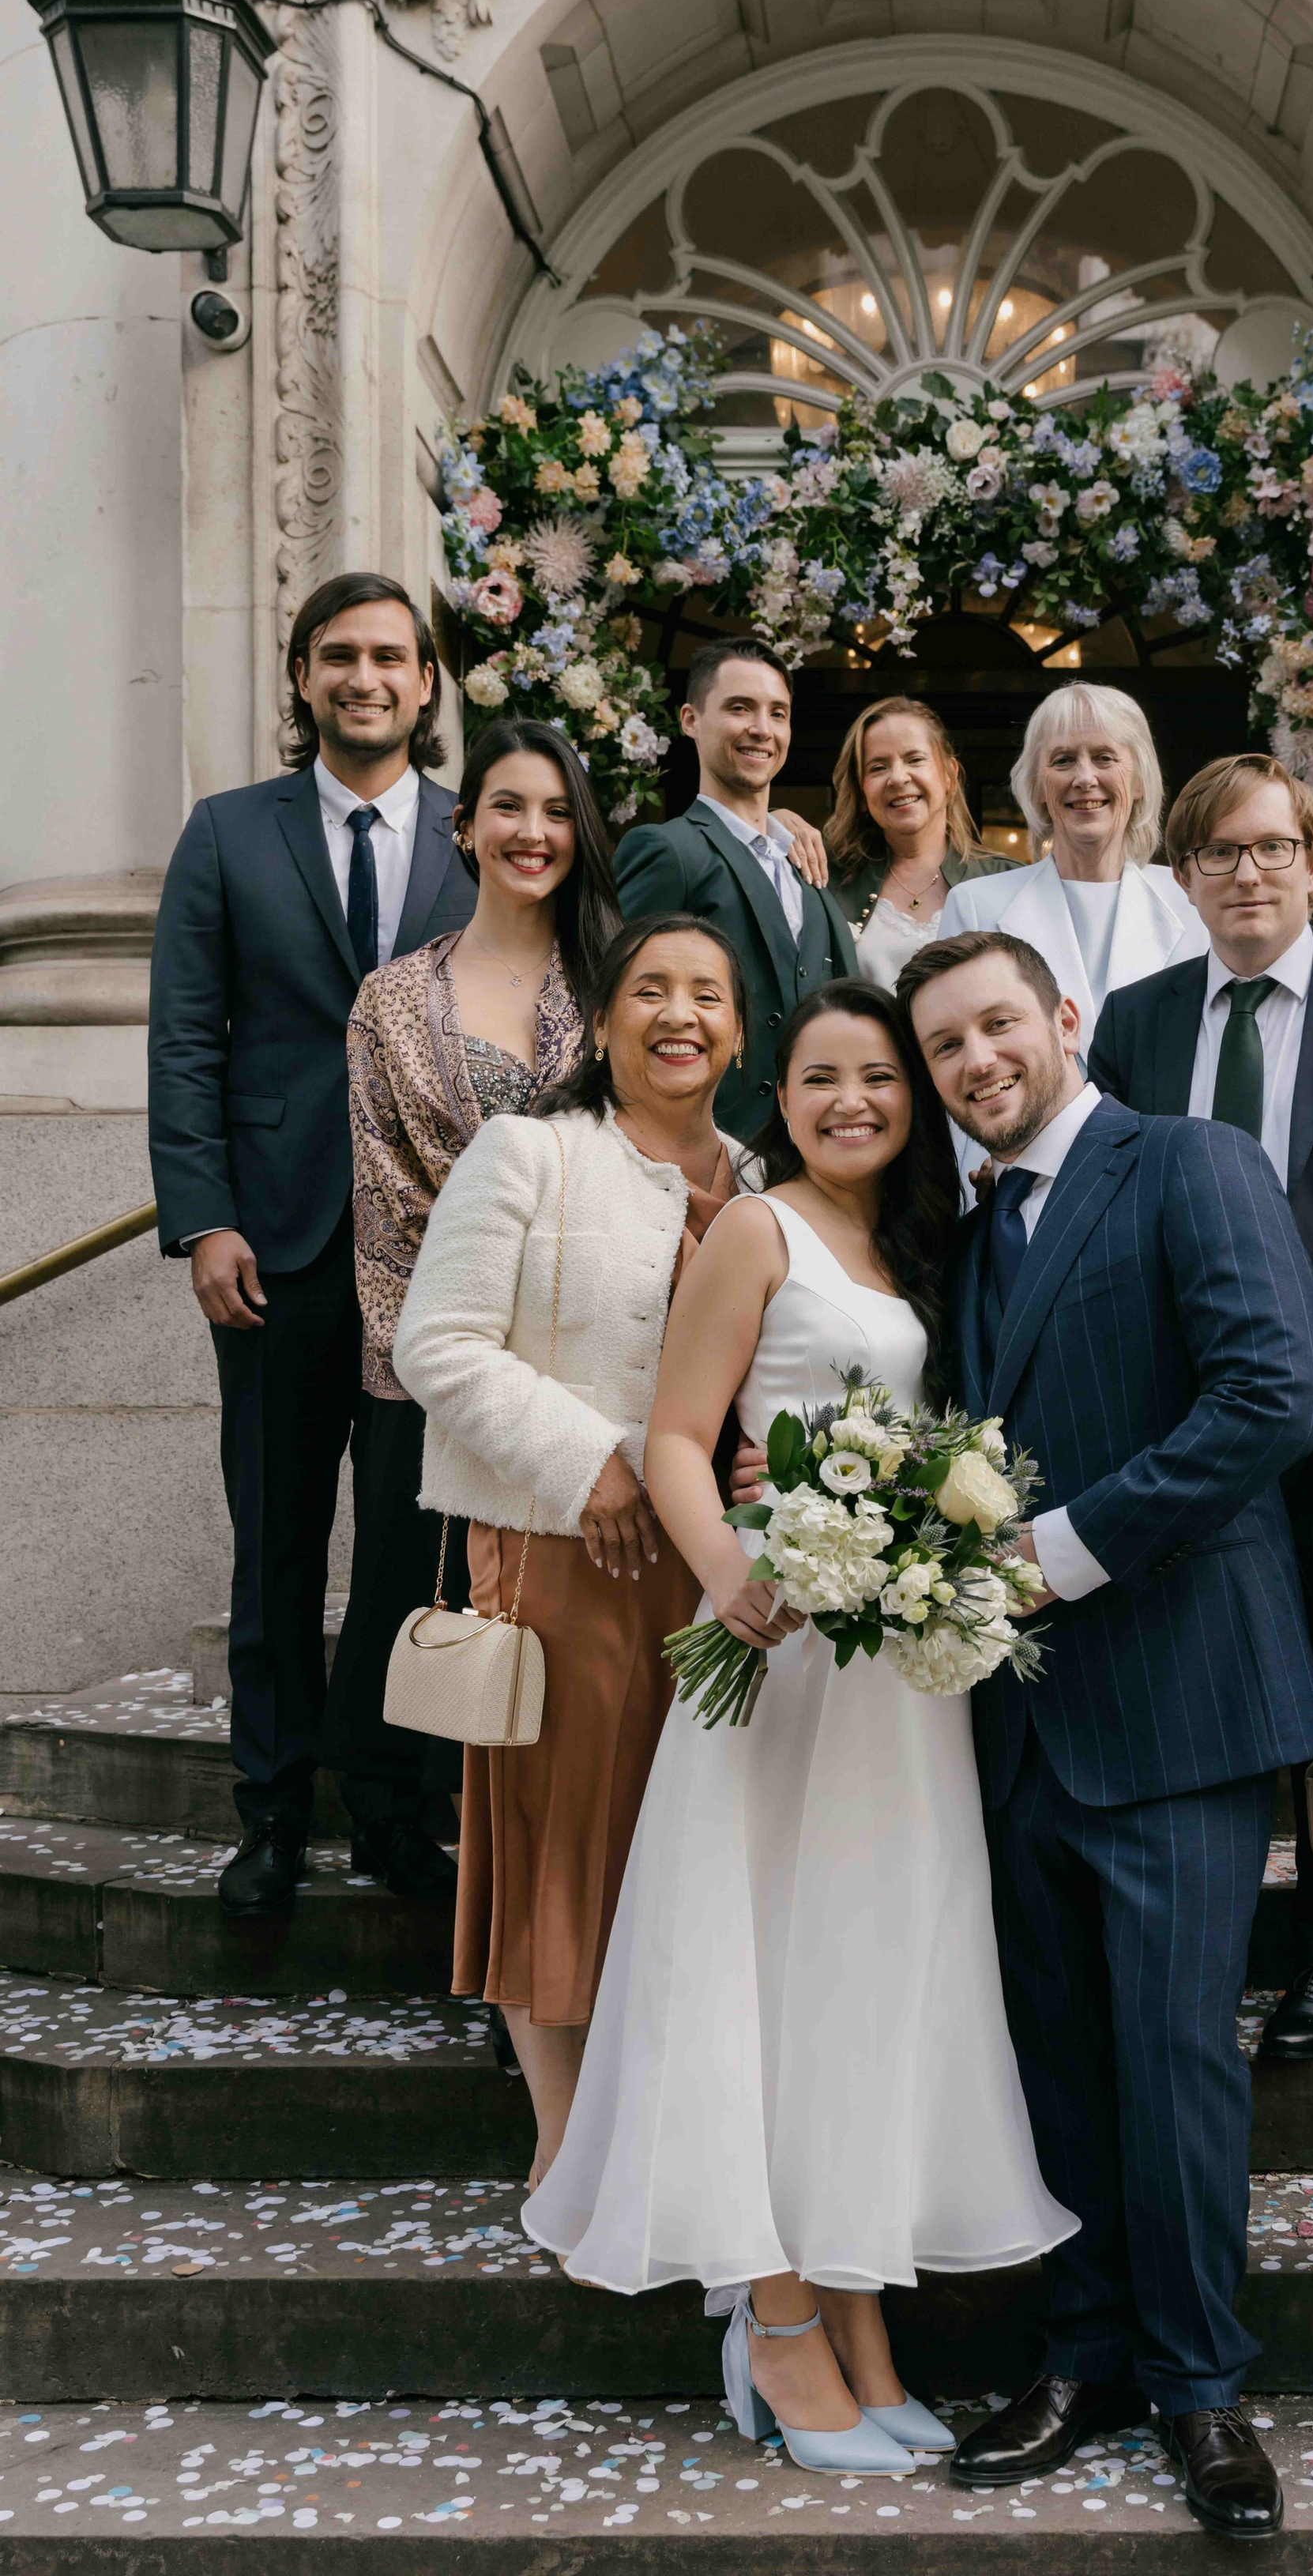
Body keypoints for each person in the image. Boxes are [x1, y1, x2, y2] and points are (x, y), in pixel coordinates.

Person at [524, 978, 1074, 2479]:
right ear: (788, 1092)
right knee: (759, 1978)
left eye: (881, 1078)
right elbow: (680, 1441)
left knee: (862, 1989)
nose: (855, 1101)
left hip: (893, 1683)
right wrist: (732, 1577)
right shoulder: (754, 1229)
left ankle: (863, 2318)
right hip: (776, 1663)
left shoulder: (919, 1246)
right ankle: (772, 2320)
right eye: (825, 1076)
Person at [899, 926, 1313, 2544]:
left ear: (1062, 1017)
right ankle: (1080, 2360)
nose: (973, 1062)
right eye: (944, 1047)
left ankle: (1202, 2388)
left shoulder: (1189, 1164)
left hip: (1179, 1699)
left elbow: (1265, 1396)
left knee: (1170, 2064)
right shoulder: (967, 1227)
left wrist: (1057, 1550)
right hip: (1020, 1724)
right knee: (1060, 2066)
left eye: (995, 1026)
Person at [1089, 754, 1313, 2065]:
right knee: (1200, 1684)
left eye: (1271, 849)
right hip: (1173, 1417)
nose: (1248, 873)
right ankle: (1192, 1951)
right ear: (1182, 878)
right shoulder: (1133, 1019)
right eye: (1218, 853)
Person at [391, 916, 758, 2185]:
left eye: (707, 994)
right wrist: (587, 1458)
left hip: (717, 1569)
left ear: (740, 1030)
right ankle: (564, 2150)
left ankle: (664, 2127)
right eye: (648, 990)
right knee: (563, 1840)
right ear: (599, 1025)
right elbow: (433, 1345)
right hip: (563, 1549)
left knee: (683, 1840)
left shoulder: (766, 1181)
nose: (679, 1015)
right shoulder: (531, 1153)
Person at [148, 571, 474, 1918]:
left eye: (392, 658)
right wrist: (203, 1217)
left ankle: (393, 1808)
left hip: (440, 1264)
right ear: (301, 677)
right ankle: (271, 1816)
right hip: (275, 1253)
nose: (366, 679)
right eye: (339, 656)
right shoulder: (227, 834)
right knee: (276, 1546)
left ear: (426, 681)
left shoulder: (481, 837)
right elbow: (183, 1039)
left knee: (411, 1551)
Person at [340, 719, 619, 1885]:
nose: (533, 832)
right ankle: (392, 1817)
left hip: (594, 1345)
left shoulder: (619, 983)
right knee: (410, 1579)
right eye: (509, 806)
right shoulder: (395, 1000)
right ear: (466, 825)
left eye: (557, 812)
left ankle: (529, 1825)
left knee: (559, 1602)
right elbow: (386, 1184)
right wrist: (441, 1352)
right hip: (435, 1344)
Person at [612, 640, 856, 1139]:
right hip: (707, 1147)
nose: (762, 729)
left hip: (821, 1147)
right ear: (690, 720)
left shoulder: (804, 861)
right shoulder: (667, 849)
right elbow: (617, 1006)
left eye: (778, 713)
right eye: (739, 708)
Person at [935, 682, 1206, 1037]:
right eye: (1063, 761)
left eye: (1104, 757)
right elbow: (950, 1037)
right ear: (1037, 787)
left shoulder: (1195, 900)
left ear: (1139, 780)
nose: (1084, 778)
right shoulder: (974, 907)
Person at [824, 695, 1017, 989]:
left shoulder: (1007, 880)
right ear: (862, 794)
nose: (898, 778)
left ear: (949, 776)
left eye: (915, 759)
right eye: (878, 767)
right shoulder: (827, 883)